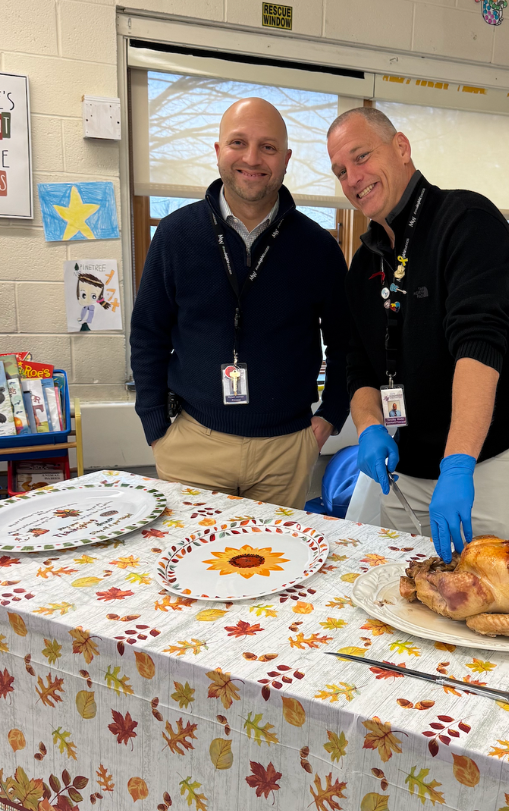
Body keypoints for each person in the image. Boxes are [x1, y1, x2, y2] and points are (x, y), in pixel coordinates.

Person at [326, 107, 509, 563]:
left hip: (486, 466)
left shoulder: (467, 222)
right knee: (411, 600)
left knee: (490, 605)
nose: (353, 178)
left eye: (361, 157)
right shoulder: (365, 263)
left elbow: (479, 347)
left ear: (401, 147)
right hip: (404, 472)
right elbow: (359, 367)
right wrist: (371, 426)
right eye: (340, 171)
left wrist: (457, 465)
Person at [130, 98, 349, 508]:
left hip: (286, 451)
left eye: (267, 147)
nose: (252, 158)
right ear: (218, 152)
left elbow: (346, 344)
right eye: (238, 142)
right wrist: (155, 425)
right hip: (194, 446)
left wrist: (329, 417)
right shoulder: (176, 235)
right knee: (188, 568)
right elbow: (147, 334)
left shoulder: (318, 248)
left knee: (276, 570)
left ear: (285, 160)